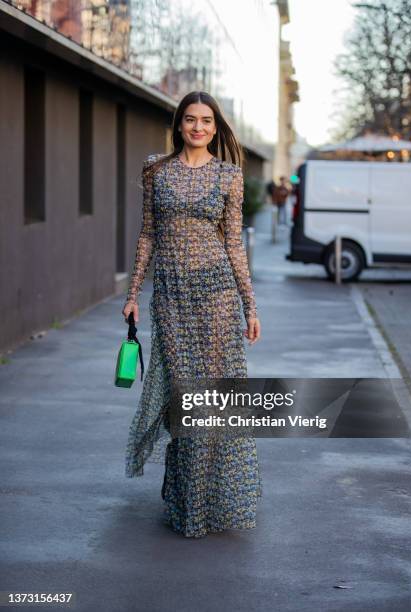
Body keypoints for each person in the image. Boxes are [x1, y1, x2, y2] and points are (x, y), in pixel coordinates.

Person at [121, 90, 262, 538]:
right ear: (179, 125)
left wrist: (250, 306)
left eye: (206, 121)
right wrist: (132, 294)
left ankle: (208, 503)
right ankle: (185, 500)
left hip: (217, 295)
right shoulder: (156, 170)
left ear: (215, 128)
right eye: (190, 120)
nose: (198, 127)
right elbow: (147, 235)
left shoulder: (229, 177)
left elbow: (234, 245)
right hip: (172, 298)